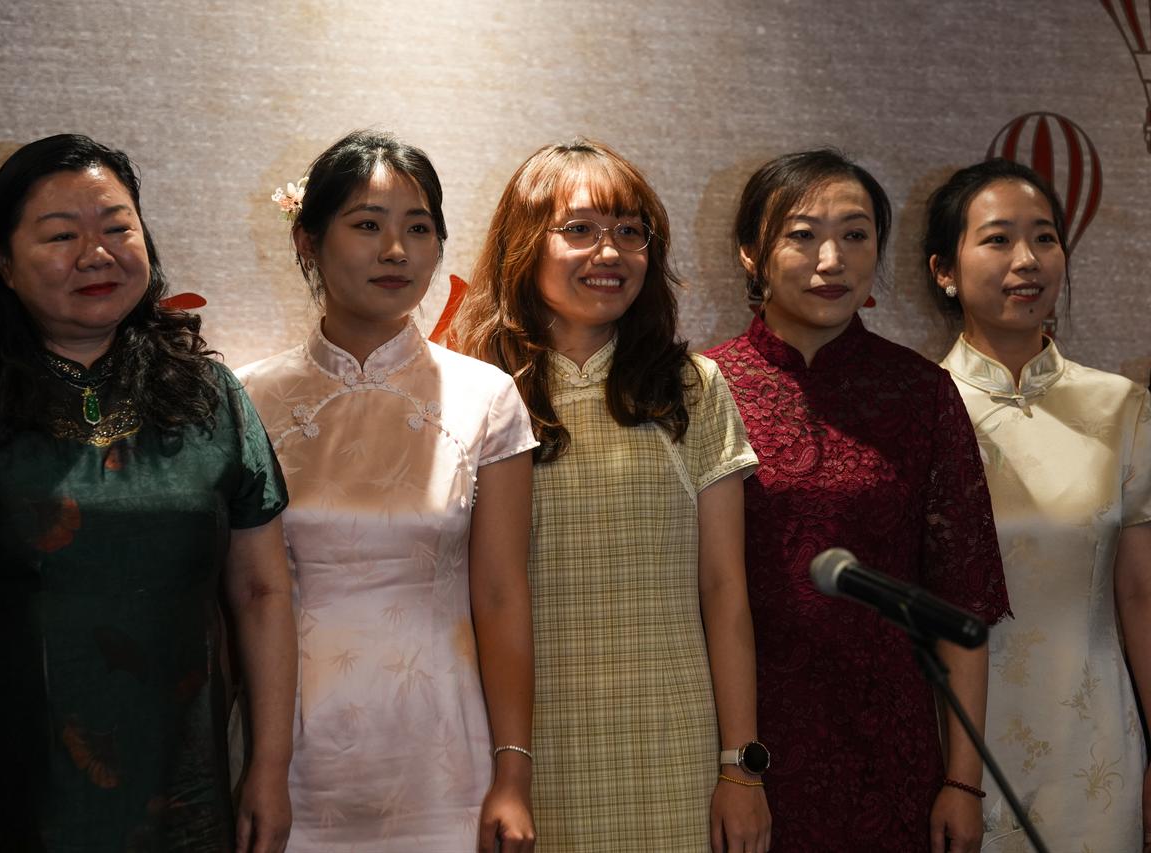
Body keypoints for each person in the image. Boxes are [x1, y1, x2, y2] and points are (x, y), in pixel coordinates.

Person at [0, 134, 296, 852]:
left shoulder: (212, 399)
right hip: (9, 799)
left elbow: (263, 592)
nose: (96, 254)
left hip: (184, 796)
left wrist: (269, 767)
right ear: (2, 263)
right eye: (62, 235)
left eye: (117, 227)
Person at [456, 138, 770, 853]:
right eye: (581, 230)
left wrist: (740, 766)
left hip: (672, 747)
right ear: (523, 244)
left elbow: (725, 588)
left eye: (631, 232)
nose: (611, 252)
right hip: (514, 751)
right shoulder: (474, 389)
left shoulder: (692, 386)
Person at [702, 149, 1010, 853]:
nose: (831, 258)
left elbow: (963, 602)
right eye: (802, 234)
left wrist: (962, 783)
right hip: (738, 751)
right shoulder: (704, 386)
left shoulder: (923, 393)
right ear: (752, 251)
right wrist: (736, 764)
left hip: (890, 749)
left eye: (856, 233)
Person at [238, 130, 537, 852]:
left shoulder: (486, 397)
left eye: (418, 228)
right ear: (309, 241)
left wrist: (512, 775)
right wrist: (259, 765)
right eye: (367, 224)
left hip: (443, 755)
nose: (396, 250)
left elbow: (500, 595)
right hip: (291, 758)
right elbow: (242, 599)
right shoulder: (247, 400)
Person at [925, 158, 1151, 852]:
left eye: (1044, 238)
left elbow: (1141, 593)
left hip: (1095, 745)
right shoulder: (918, 407)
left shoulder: (1121, 407)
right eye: (997, 239)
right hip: (953, 745)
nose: (1026, 260)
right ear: (944, 269)